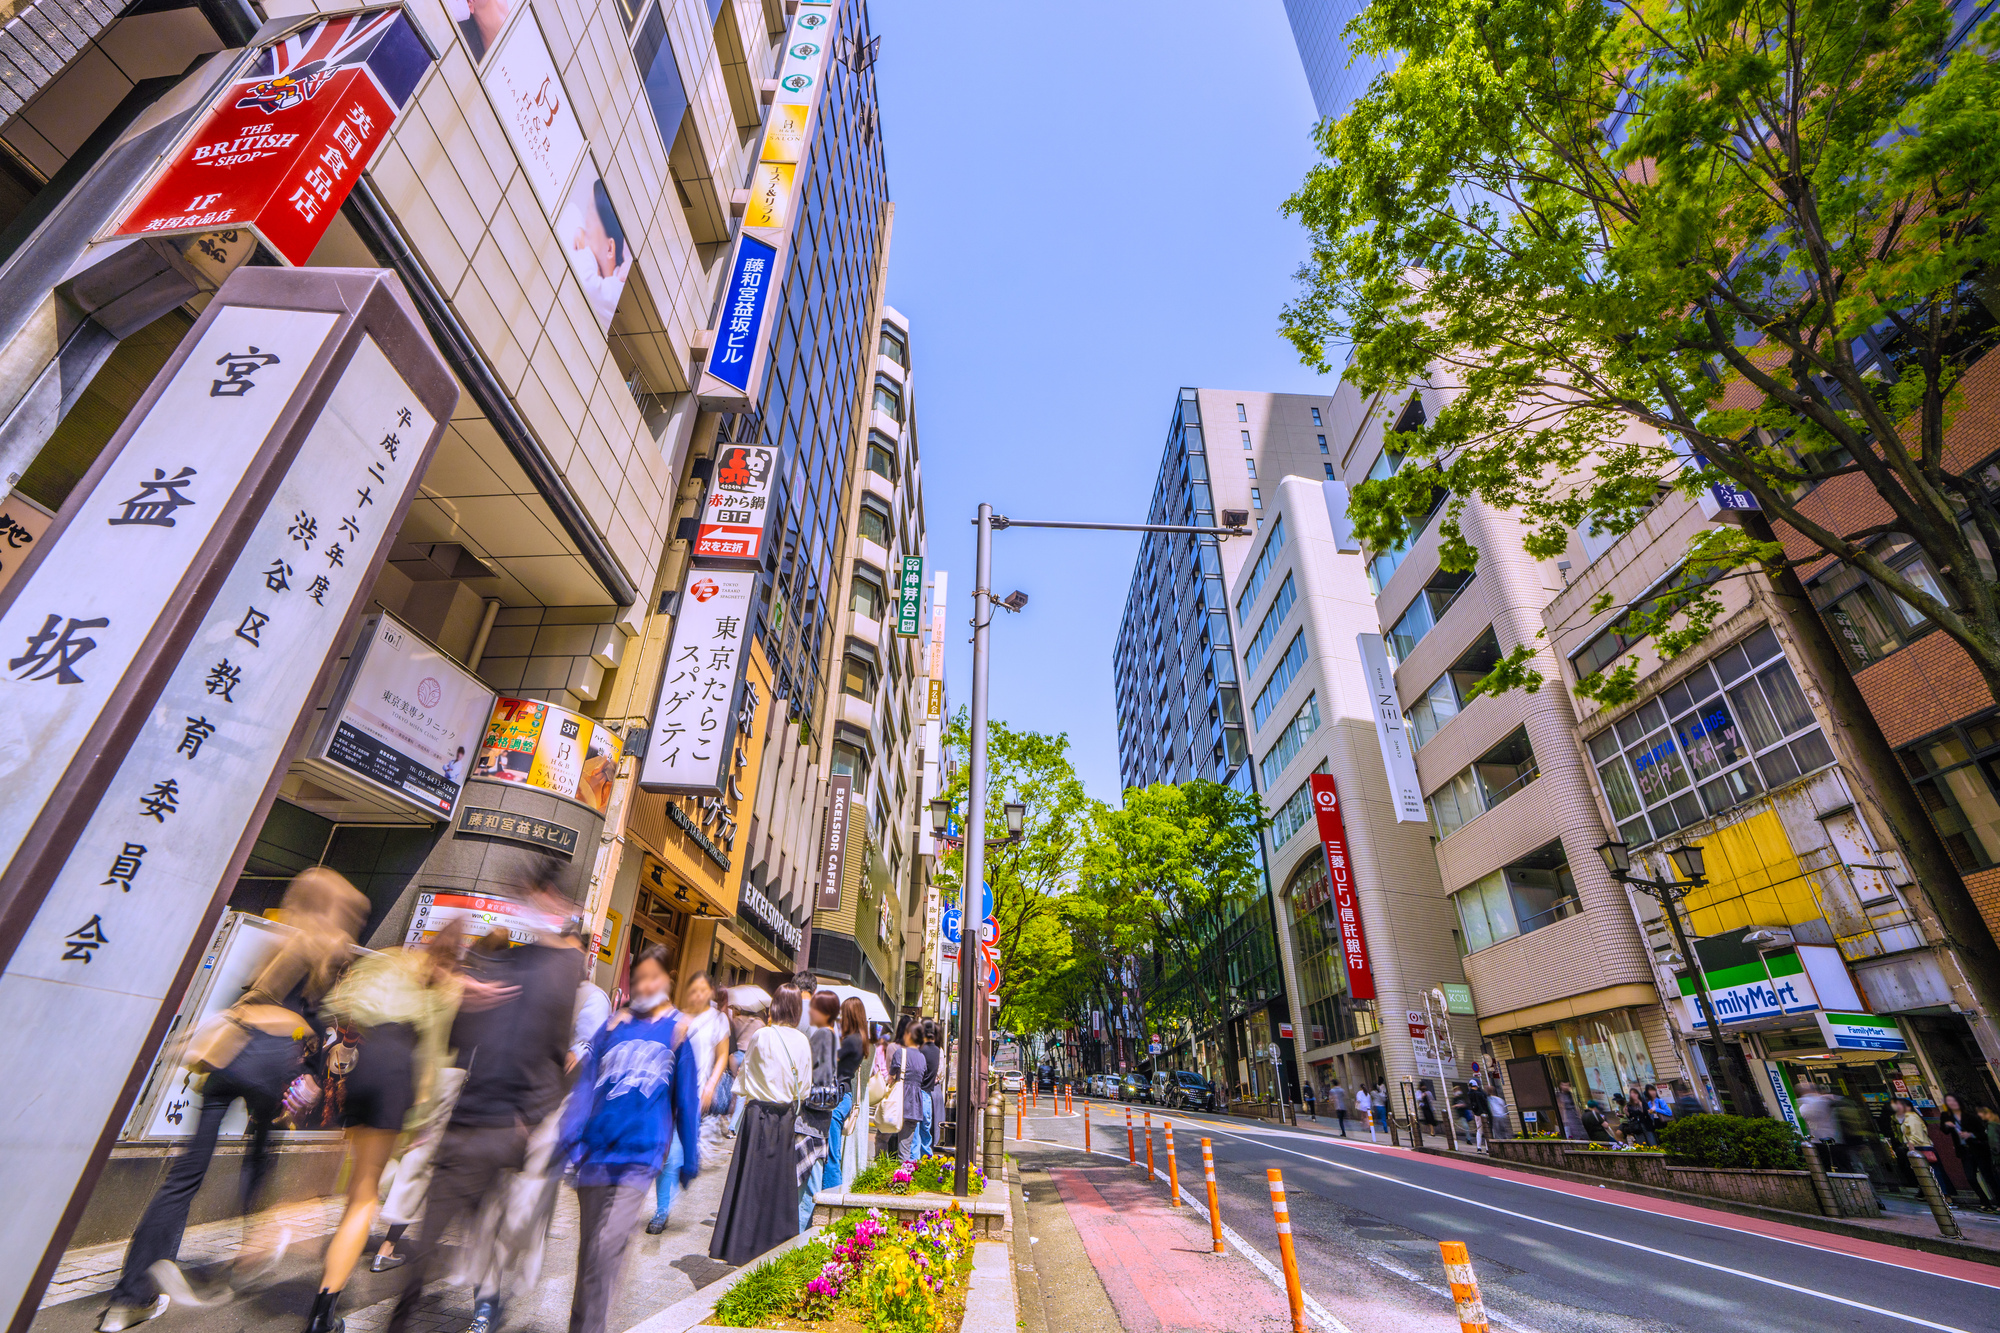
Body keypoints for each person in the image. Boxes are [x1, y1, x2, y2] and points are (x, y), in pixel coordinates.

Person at [103, 870, 366, 1332]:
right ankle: (253, 1250)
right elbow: (318, 1029)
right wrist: (306, 1078)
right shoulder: (331, 949)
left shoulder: (282, 941)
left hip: (232, 1053)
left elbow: (244, 1000)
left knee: (187, 1172)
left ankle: (129, 1298)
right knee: (260, 1156)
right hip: (273, 1060)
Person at [383, 860, 581, 1333]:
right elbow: (460, 1042)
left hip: (503, 1128)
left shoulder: (565, 967)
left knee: (490, 1230)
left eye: (542, 895)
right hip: (468, 1122)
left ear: (560, 903)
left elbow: (556, 1055)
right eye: (529, 893)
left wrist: (528, 1123)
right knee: (433, 1242)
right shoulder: (506, 959)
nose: (533, 904)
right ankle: (411, 1317)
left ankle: (485, 1305)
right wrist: (468, 1001)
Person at [296, 919, 467, 1333]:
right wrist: (421, 1119)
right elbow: (436, 1055)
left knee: (357, 1187)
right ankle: (321, 1314)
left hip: (362, 1065)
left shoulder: (392, 960)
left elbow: (338, 1000)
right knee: (365, 1198)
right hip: (398, 1072)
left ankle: (323, 1290)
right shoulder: (448, 987)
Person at [561, 945, 699, 1333]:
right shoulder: (613, 1026)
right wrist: (569, 1136)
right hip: (596, 1153)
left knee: (608, 1248)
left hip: (640, 1156)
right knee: (589, 1254)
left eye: (653, 976)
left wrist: (689, 1155)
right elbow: (586, 1085)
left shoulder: (677, 1030)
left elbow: (686, 1098)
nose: (644, 985)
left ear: (668, 979)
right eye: (638, 978)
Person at [710, 986, 814, 1263]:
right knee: (779, 1184)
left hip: (757, 1117)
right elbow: (804, 1088)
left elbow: (745, 1078)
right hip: (785, 1118)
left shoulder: (762, 1035)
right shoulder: (803, 1041)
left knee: (751, 1181)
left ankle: (741, 1246)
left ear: (775, 1007)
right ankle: (775, 1246)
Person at [800, 993, 841, 1229]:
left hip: (812, 1118)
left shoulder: (823, 1035)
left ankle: (799, 1240)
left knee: (808, 1185)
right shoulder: (832, 1035)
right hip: (820, 1119)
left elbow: (816, 1075)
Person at [831, 998, 870, 1188]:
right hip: (844, 1094)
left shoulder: (851, 1040)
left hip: (838, 1097)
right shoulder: (859, 1039)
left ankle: (830, 1195)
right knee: (833, 1150)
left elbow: (828, 1058)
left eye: (844, 1013)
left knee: (832, 1153)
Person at [1940, 1094, 1998, 1209]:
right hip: (1964, 1151)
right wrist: (1946, 1125)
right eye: (1949, 1101)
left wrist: (1970, 1134)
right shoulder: (1946, 1116)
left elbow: (1983, 1134)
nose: (1952, 1103)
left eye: (1954, 1101)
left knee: (1988, 1176)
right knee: (1970, 1177)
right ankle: (1984, 1202)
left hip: (1978, 1149)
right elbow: (1944, 1131)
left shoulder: (1970, 1116)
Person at [893, 1020, 925, 1162]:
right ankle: (903, 1177)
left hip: (899, 1101)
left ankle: (897, 1178)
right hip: (915, 1105)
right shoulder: (922, 1057)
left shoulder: (901, 1053)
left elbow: (891, 1074)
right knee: (906, 1146)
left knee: (884, 1139)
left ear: (910, 1035)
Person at [919, 1019, 944, 1156]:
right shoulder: (938, 1051)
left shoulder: (919, 1050)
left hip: (919, 1091)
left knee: (917, 1129)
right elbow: (940, 1074)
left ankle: (915, 1162)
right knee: (928, 1128)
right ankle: (927, 1156)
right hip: (931, 1091)